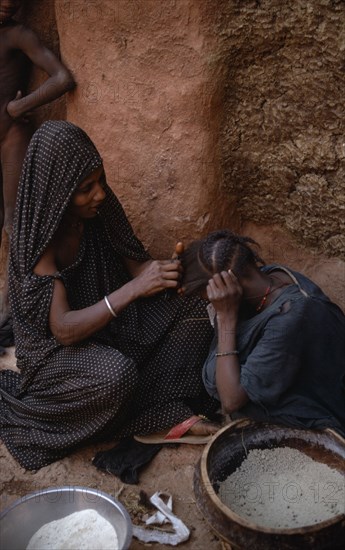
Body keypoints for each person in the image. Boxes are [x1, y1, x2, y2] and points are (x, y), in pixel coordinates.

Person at [0, 121, 219, 470]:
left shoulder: (100, 206)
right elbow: (64, 329)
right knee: (115, 375)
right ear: (59, 191)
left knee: (197, 309)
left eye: (100, 180)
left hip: (115, 328)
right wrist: (134, 290)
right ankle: (153, 416)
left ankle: (140, 408)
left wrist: (169, 274)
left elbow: (138, 267)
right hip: (58, 357)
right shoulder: (39, 242)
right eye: (86, 188)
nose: (99, 193)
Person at [181, 230, 345, 437]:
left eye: (206, 295)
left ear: (228, 284)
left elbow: (231, 401)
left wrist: (226, 320)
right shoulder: (271, 275)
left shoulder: (288, 318)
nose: (207, 301)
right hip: (289, 366)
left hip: (314, 406)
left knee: (226, 385)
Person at [0, 0, 76, 340]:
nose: (8, 4)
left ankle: (11, 311)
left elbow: (63, 78)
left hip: (10, 136)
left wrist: (20, 105)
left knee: (14, 222)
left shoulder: (17, 35)